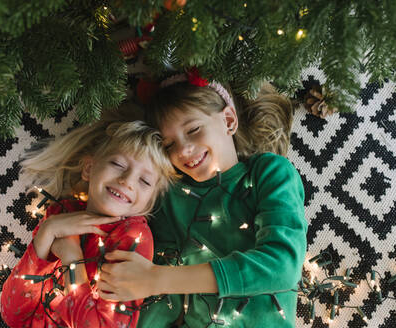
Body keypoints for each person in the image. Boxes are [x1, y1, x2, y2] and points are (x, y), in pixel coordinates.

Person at [95, 70, 308, 327]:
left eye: (194, 130)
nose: (183, 150)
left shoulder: (269, 172)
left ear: (229, 120)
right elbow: (162, 303)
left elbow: (282, 265)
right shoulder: (171, 197)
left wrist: (157, 279)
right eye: (169, 145)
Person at [0, 103, 177, 328]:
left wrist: (72, 258)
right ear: (89, 168)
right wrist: (48, 231)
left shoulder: (133, 237)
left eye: (144, 181)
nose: (128, 181)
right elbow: (13, 314)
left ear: (149, 202)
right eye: (117, 164)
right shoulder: (61, 214)